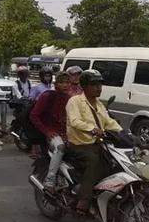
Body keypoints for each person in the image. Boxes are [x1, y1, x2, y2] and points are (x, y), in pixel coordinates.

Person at [66, 70, 122, 214]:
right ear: (84, 86)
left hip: (96, 144)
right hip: (78, 145)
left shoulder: (99, 104)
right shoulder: (75, 101)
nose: (99, 88)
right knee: (94, 161)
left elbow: (108, 122)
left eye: (100, 84)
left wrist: (123, 133)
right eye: (94, 84)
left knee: (114, 163)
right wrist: (93, 129)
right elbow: (74, 121)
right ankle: (83, 199)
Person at [29, 72, 71, 193]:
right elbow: (34, 116)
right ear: (56, 84)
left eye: (67, 82)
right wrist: (47, 131)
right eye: (62, 82)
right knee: (60, 147)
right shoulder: (47, 96)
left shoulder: (69, 98)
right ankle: (50, 180)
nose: (65, 85)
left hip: (66, 133)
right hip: (51, 134)